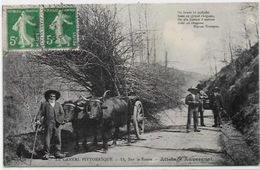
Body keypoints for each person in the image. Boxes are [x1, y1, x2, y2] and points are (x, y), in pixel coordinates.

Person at [35, 90, 67, 160]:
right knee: (47, 138)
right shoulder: (45, 104)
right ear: (48, 97)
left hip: (57, 124)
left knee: (58, 138)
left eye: (54, 96)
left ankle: (57, 153)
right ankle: (46, 154)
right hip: (48, 124)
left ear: (56, 97)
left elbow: (62, 113)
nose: (52, 97)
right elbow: (40, 113)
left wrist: (61, 120)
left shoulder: (58, 104)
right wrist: (38, 120)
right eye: (51, 96)